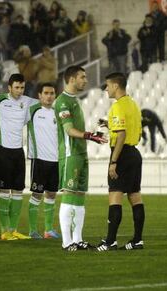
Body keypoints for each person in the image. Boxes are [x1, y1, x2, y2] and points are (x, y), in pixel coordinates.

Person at [54, 66, 107, 251]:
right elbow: (68, 130)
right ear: (71, 79)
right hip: (70, 154)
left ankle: (78, 240)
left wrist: (92, 134)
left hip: (81, 153)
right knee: (69, 194)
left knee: (79, 196)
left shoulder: (74, 100)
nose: (85, 80)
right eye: (82, 77)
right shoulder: (62, 102)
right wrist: (89, 136)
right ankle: (66, 242)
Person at [0, 73, 37, 240]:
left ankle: (13, 230)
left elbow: (48, 102)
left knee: (18, 191)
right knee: (4, 191)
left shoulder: (28, 101)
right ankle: (4, 230)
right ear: (9, 87)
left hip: (18, 151)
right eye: (17, 87)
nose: (20, 91)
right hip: (2, 150)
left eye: (22, 87)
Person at [96, 72, 144, 251]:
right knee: (135, 196)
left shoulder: (117, 107)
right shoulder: (133, 105)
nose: (106, 89)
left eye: (108, 85)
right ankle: (137, 240)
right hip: (134, 154)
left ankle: (110, 241)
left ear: (115, 86)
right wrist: (109, 125)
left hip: (121, 154)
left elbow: (121, 134)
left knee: (115, 195)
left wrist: (113, 162)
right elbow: (135, 132)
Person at [26, 82, 60, 239]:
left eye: (52, 93)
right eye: (46, 93)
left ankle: (48, 230)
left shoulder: (57, 113)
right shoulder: (32, 111)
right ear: (39, 95)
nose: (49, 96)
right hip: (39, 159)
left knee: (52, 194)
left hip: (55, 160)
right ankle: (33, 230)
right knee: (37, 194)